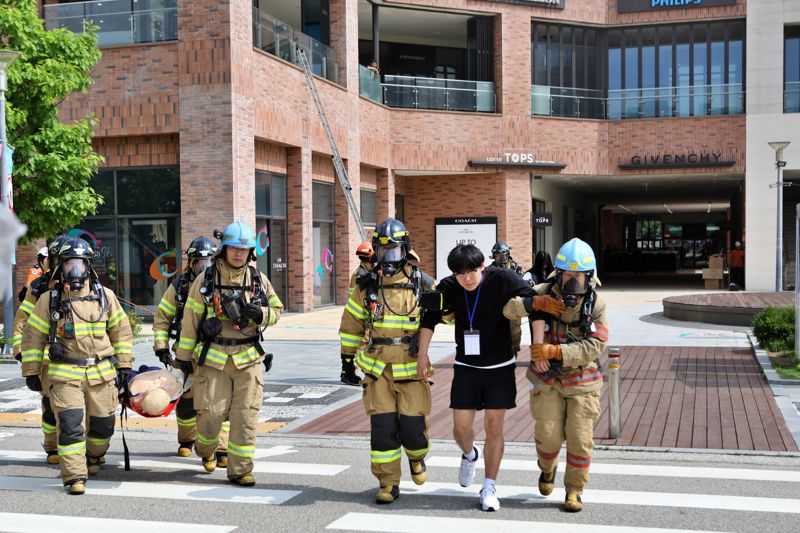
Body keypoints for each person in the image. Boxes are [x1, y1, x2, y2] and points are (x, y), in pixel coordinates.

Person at [418, 244, 565, 512]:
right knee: (461, 429)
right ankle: (469, 454)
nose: (467, 278)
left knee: (494, 428)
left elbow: (537, 307)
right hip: (466, 366)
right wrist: (422, 355)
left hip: (500, 367)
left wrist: (538, 349)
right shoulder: (450, 286)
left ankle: (489, 485)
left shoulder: (504, 279)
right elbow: (429, 319)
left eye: (472, 271)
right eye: (461, 273)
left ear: (482, 266)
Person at [21, 236, 133, 495]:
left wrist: (124, 366)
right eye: (70, 263)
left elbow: (121, 331)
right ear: (61, 266)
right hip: (65, 375)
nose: (75, 269)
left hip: (101, 374)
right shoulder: (49, 299)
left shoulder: (105, 296)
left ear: (89, 266)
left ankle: (94, 456)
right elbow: (32, 337)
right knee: (70, 427)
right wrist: (31, 371)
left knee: (103, 427)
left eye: (80, 264)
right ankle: (74, 477)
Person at [175, 221, 283, 486]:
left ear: (250, 253)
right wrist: (183, 361)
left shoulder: (258, 280)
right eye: (233, 248)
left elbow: (277, 310)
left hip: (248, 358)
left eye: (243, 249)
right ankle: (206, 448)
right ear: (223, 250)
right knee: (210, 415)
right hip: (213, 358)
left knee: (246, 416)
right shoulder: (206, 280)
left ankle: (241, 470)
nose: (238, 254)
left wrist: (262, 314)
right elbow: (189, 321)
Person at [338, 218, 434, 504]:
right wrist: (346, 362)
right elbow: (351, 323)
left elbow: (449, 315)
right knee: (382, 432)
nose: (388, 257)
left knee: (413, 431)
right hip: (377, 368)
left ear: (405, 250)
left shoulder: (423, 283)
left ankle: (417, 457)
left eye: (393, 251)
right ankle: (388, 483)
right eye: (383, 251)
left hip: (412, 368)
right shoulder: (366, 286)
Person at [528, 237, 608, 513]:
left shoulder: (596, 305)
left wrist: (555, 351)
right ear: (558, 274)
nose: (572, 281)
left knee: (580, 440)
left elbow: (596, 345)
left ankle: (574, 490)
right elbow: (508, 307)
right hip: (547, 380)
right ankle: (546, 468)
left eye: (578, 276)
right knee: (548, 436)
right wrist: (533, 303)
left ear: (589, 276)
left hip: (583, 383)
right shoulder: (542, 291)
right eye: (567, 275)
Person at [152, 236, 231, 461]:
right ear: (191, 263)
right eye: (199, 263)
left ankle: (222, 449)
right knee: (185, 401)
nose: (204, 268)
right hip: (185, 354)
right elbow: (162, 317)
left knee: (220, 401)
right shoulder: (180, 286)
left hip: (216, 353)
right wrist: (161, 346)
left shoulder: (222, 282)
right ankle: (186, 440)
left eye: (208, 263)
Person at [12, 234, 68, 463]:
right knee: (49, 405)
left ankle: (86, 449)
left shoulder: (87, 286)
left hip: (80, 358)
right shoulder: (39, 287)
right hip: (47, 359)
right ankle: (53, 447)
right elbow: (22, 321)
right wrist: (22, 356)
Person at [489, 242, 525, 355]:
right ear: (494, 256)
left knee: (514, 329)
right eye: (498, 256)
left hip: (513, 303)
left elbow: (522, 283)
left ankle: (513, 350)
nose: (501, 259)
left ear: (508, 254)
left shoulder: (515, 268)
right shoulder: (490, 270)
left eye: (503, 255)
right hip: (496, 304)